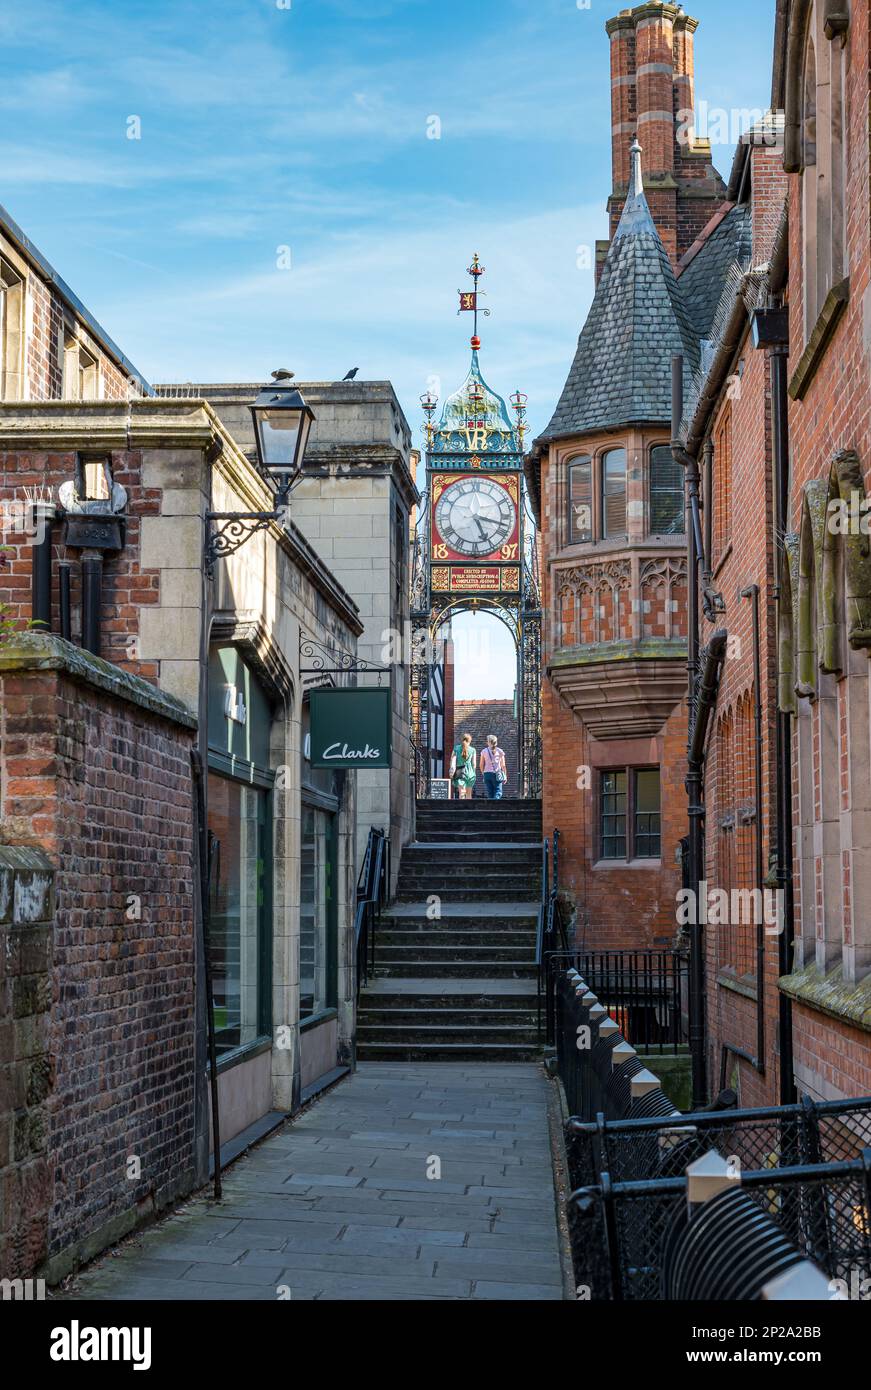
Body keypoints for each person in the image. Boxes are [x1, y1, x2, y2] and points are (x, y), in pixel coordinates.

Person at [449, 732, 477, 799]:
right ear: (470, 741)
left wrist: (452, 770)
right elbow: (474, 763)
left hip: (459, 770)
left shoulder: (456, 748)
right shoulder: (473, 750)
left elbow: (452, 760)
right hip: (470, 772)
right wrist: (474, 771)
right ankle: (469, 808)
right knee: (469, 794)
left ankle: (462, 808)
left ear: (462, 740)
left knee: (461, 793)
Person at [480, 734, 507, 800]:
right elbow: (503, 765)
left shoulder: (484, 751)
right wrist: (505, 775)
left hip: (487, 774)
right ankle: (495, 806)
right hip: (497, 774)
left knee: (490, 793)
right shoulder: (500, 751)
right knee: (498, 792)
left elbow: (481, 765)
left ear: (488, 742)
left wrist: (483, 773)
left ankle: (490, 808)